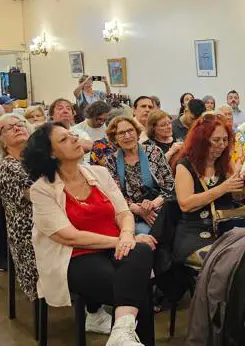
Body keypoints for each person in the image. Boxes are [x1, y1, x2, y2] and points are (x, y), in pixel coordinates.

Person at [24, 122, 157, 346]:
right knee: (136, 286)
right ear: (51, 154)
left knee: (142, 253)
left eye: (71, 135)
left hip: (114, 247)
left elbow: (123, 212)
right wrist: (123, 240)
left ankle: (121, 334)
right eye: (64, 139)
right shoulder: (42, 189)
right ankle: (124, 335)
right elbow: (68, 236)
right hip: (75, 257)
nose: (75, 139)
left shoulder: (99, 173)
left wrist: (126, 234)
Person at [173, 114, 245, 267]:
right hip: (195, 232)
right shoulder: (184, 165)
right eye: (216, 140)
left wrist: (242, 183)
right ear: (202, 141)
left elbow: (236, 197)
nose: (222, 145)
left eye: (225, 140)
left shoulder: (225, 162)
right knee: (226, 262)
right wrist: (223, 188)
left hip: (225, 229)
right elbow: (186, 204)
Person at [106, 116, 174, 235]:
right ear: (114, 138)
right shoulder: (111, 160)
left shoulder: (154, 152)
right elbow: (115, 194)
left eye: (130, 130)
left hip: (161, 206)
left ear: (137, 133)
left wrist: (152, 204)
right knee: (148, 234)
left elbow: (170, 184)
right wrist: (138, 210)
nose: (127, 136)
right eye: (121, 133)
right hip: (132, 214)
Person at [0, 114, 38, 303]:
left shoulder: (35, 160)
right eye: (8, 128)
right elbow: (39, 196)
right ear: (2, 142)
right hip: (32, 238)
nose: (16, 128)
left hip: (51, 227)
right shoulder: (8, 166)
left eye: (19, 124)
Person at [217, 105, 245, 170]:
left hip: (244, 169)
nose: (228, 117)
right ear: (219, 118)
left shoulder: (239, 132)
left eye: (230, 114)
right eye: (225, 114)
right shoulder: (218, 135)